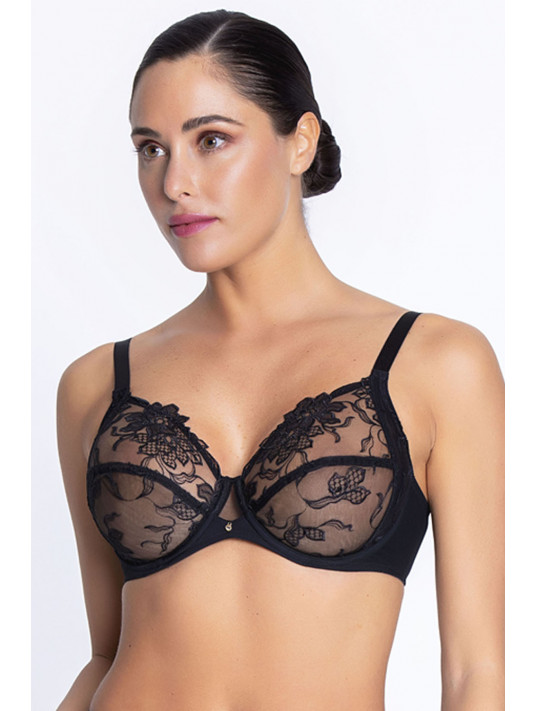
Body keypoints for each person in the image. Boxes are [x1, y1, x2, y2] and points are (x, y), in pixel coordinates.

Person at [56, 10, 504, 711]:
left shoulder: (436, 363)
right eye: (150, 148)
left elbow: (475, 673)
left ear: (300, 141)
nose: (174, 183)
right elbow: (106, 655)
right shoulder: (95, 383)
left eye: (211, 140)